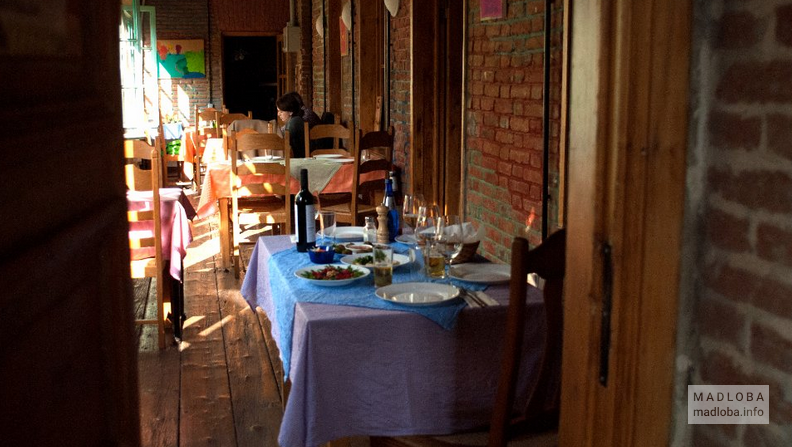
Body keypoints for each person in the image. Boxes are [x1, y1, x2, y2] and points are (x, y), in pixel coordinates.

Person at [276, 93, 306, 158]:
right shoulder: (291, 120)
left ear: (290, 112)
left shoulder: (295, 122)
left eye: (281, 112)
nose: (278, 114)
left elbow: (284, 140)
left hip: (298, 159)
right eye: (278, 111)